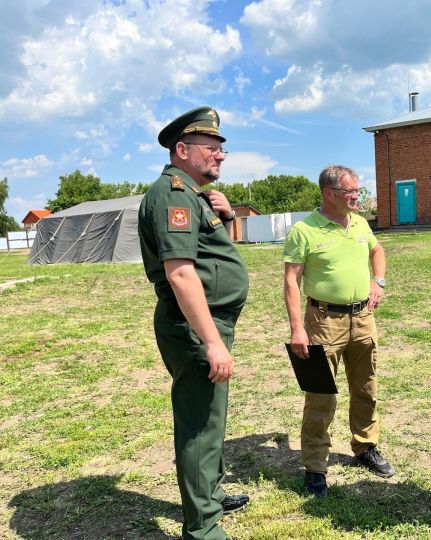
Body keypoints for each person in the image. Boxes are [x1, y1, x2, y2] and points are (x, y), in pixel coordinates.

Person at [138, 106, 249, 540]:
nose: (220, 156)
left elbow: (215, 255)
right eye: (212, 148)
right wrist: (212, 343)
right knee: (200, 425)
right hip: (196, 328)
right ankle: (203, 529)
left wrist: (228, 217)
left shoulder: (194, 194)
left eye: (222, 149)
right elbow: (181, 273)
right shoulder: (172, 194)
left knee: (211, 418)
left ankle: (212, 495)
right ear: (182, 150)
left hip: (209, 324)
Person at [282, 165, 393, 498]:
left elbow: (377, 251)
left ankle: (365, 447)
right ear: (329, 193)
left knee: (366, 387)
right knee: (321, 395)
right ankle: (315, 466)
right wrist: (297, 329)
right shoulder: (304, 231)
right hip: (322, 321)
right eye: (350, 191)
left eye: (358, 190)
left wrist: (378, 281)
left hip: (362, 319)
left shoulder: (360, 224)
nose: (356, 196)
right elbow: (291, 280)